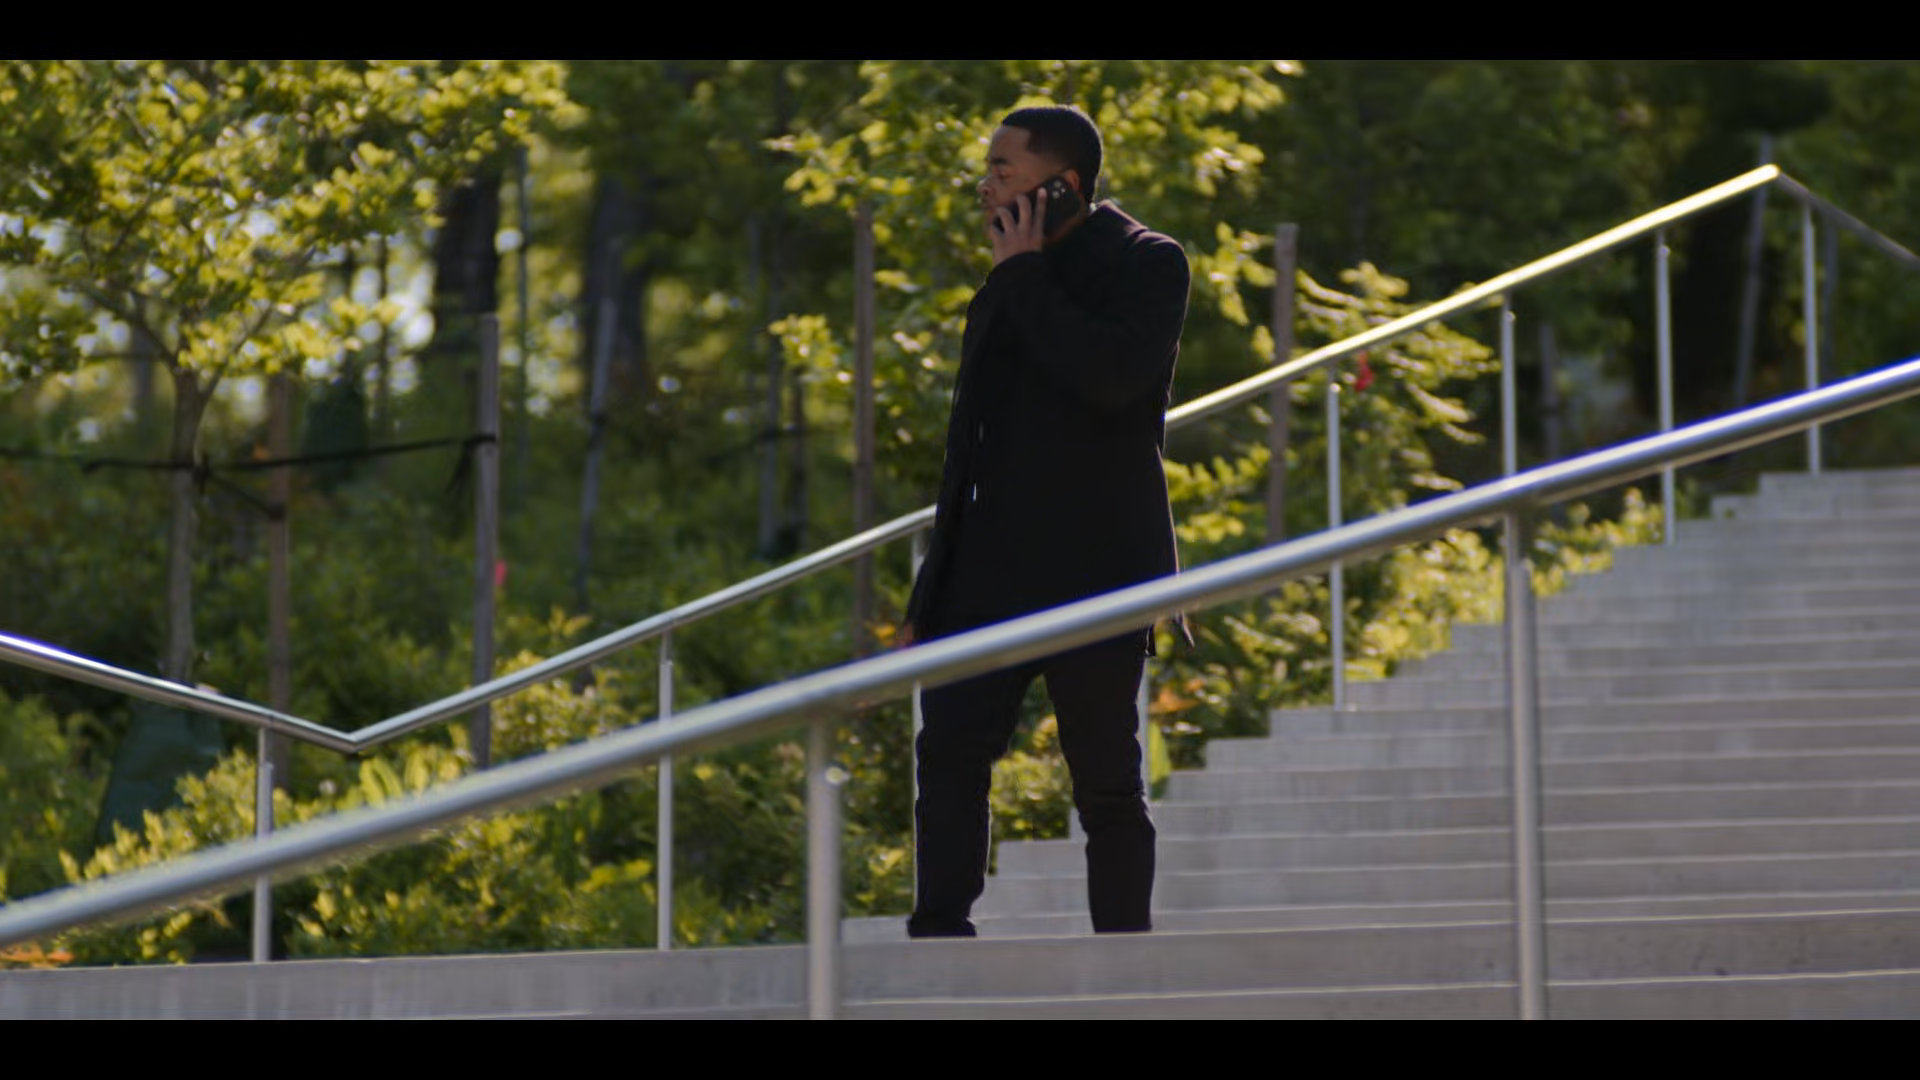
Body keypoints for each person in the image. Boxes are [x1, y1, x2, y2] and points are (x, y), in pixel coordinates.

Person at [902, 104, 1191, 938]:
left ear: (1062, 185)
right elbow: (968, 445)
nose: (985, 186)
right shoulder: (1008, 277)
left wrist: (1024, 276)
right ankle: (939, 940)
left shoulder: (1148, 261)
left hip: (1099, 568)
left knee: (1106, 778)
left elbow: (1111, 378)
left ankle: (1123, 962)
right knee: (948, 752)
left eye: (1002, 170)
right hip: (987, 569)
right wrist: (931, 593)